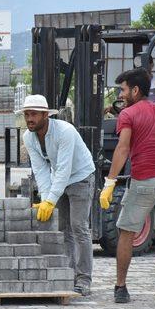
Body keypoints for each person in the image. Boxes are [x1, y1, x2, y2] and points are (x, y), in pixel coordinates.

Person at [100, 68, 155, 307]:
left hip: (145, 180)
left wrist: (110, 182)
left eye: (123, 90)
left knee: (126, 232)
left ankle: (121, 287)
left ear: (136, 90)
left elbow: (123, 148)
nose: (122, 95)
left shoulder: (129, 114)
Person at [19, 95, 96, 296]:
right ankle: (68, 275)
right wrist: (46, 200)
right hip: (59, 179)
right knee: (63, 230)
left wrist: (51, 199)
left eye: (34, 114)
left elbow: (64, 168)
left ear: (46, 115)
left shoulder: (65, 131)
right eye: (27, 114)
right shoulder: (28, 137)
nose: (30, 119)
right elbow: (41, 170)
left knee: (79, 227)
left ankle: (84, 279)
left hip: (80, 176)